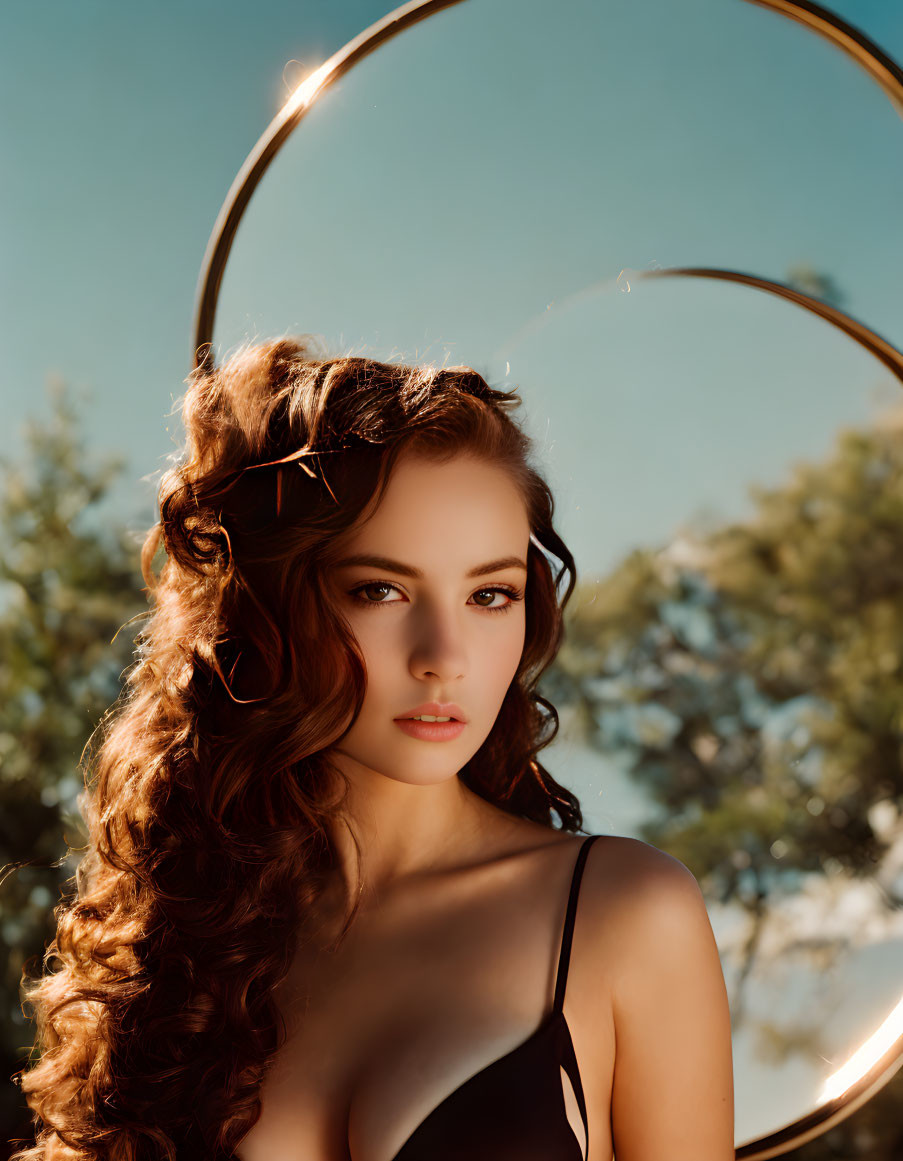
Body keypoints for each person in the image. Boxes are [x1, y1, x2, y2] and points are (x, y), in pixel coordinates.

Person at [12, 338, 734, 1161]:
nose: (444, 654)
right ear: (273, 604)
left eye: (489, 594)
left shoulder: (622, 911)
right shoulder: (189, 949)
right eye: (380, 590)